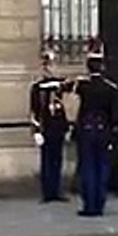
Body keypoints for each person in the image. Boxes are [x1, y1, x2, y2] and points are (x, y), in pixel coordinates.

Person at [65, 37, 118, 217]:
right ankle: (100, 204)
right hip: (103, 130)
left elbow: (65, 89)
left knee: (88, 167)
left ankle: (89, 205)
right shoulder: (110, 87)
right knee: (102, 167)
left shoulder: (83, 85)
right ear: (102, 66)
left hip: (87, 129)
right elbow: (114, 115)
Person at [29, 44, 70, 202]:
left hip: (57, 125)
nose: (50, 68)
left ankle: (57, 189)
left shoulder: (58, 85)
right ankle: (48, 191)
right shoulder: (37, 87)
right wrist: (36, 130)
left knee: (57, 159)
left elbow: (68, 87)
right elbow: (34, 110)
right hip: (45, 125)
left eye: (52, 64)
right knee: (47, 160)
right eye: (48, 65)